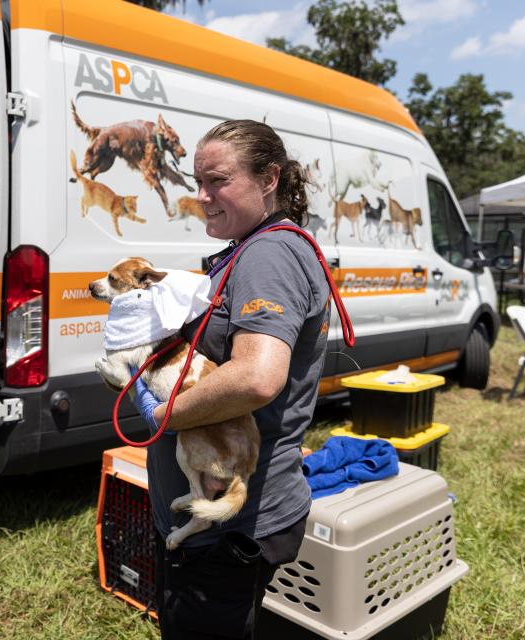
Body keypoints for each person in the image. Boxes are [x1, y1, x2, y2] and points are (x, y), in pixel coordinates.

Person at [128, 120, 334, 639]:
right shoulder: (252, 245)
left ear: (269, 178)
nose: (201, 196)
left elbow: (258, 377)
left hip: (227, 523)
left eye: (217, 180)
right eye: (198, 182)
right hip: (217, 509)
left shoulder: (268, 254)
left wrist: (163, 416)